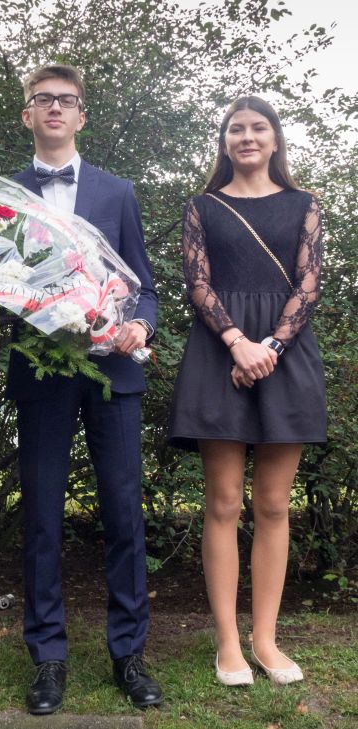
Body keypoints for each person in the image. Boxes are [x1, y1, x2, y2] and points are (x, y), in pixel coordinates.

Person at [6, 64, 161, 713]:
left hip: (113, 373)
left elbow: (144, 286)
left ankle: (129, 653)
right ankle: (48, 655)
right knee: (42, 515)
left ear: (81, 115)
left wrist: (138, 325)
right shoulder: (5, 195)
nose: (55, 108)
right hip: (41, 371)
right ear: (27, 114)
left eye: (66, 100)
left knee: (124, 514)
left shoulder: (117, 192)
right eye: (43, 99)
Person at [169, 96, 326, 686]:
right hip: (219, 351)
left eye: (259, 127)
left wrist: (271, 349)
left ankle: (265, 640)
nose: (247, 136)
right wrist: (238, 343)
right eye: (236, 129)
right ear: (225, 141)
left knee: (274, 505)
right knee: (223, 502)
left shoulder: (304, 205)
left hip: (286, 353)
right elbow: (197, 282)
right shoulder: (203, 206)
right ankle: (228, 644)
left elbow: (308, 286)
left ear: (275, 139)